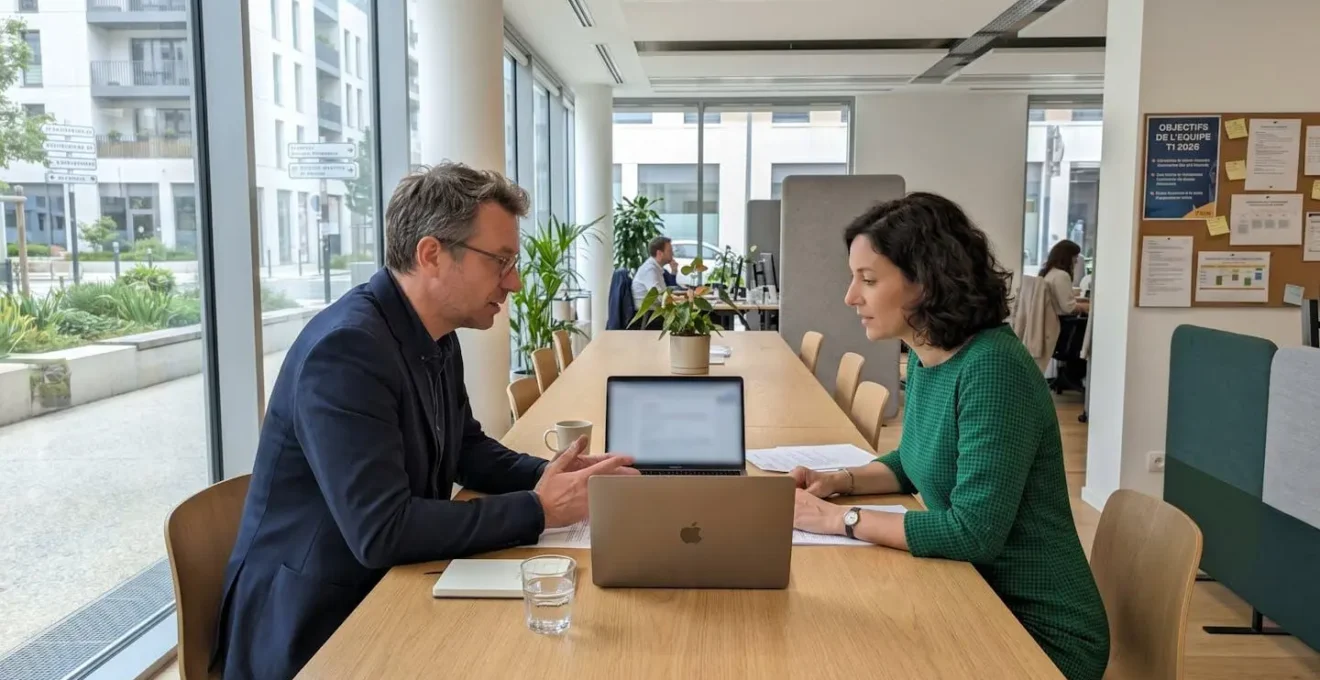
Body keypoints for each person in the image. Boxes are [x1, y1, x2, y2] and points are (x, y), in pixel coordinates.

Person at [213, 163, 637, 680]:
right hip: (317, 626)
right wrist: (538, 509)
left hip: (389, 587)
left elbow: (467, 450)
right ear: (432, 254)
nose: (515, 281)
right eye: (500, 261)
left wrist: (560, 475)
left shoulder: (432, 334)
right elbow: (382, 531)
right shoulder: (346, 351)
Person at [790, 192, 1110, 680]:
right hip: (976, 595)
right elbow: (912, 460)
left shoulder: (993, 369)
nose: (850, 296)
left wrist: (840, 521)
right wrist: (837, 481)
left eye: (868, 280)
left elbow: (973, 533)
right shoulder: (928, 356)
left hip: (1036, 634)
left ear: (926, 282)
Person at [1040, 239, 1089, 314]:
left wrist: (1083, 301)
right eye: (1075, 257)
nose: (1076, 261)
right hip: (1063, 321)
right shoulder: (1061, 276)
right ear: (1067, 257)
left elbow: (1061, 300)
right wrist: (1090, 306)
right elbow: (1069, 307)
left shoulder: (1049, 273)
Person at [632, 235, 674, 307]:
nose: (672, 254)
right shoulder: (649, 270)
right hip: (649, 315)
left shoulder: (656, 268)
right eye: (669, 251)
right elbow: (662, 297)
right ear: (659, 253)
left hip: (655, 311)